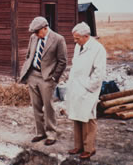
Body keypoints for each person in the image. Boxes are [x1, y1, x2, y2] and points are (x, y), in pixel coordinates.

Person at [19, 16, 67, 146]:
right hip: (33, 75)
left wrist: (53, 78)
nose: (35, 34)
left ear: (45, 28)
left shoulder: (58, 39)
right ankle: (40, 133)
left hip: (47, 78)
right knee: (36, 106)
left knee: (49, 106)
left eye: (37, 32)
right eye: (33, 32)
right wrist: (28, 73)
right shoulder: (33, 37)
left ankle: (51, 133)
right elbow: (29, 55)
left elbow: (62, 62)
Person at [65, 22, 106, 159]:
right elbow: (75, 66)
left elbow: (99, 73)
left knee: (88, 118)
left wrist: (88, 86)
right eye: (74, 38)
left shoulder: (97, 49)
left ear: (86, 36)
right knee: (77, 116)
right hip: (76, 87)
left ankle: (89, 148)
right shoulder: (79, 46)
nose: (75, 40)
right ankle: (78, 146)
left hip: (88, 89)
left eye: (77, 38)